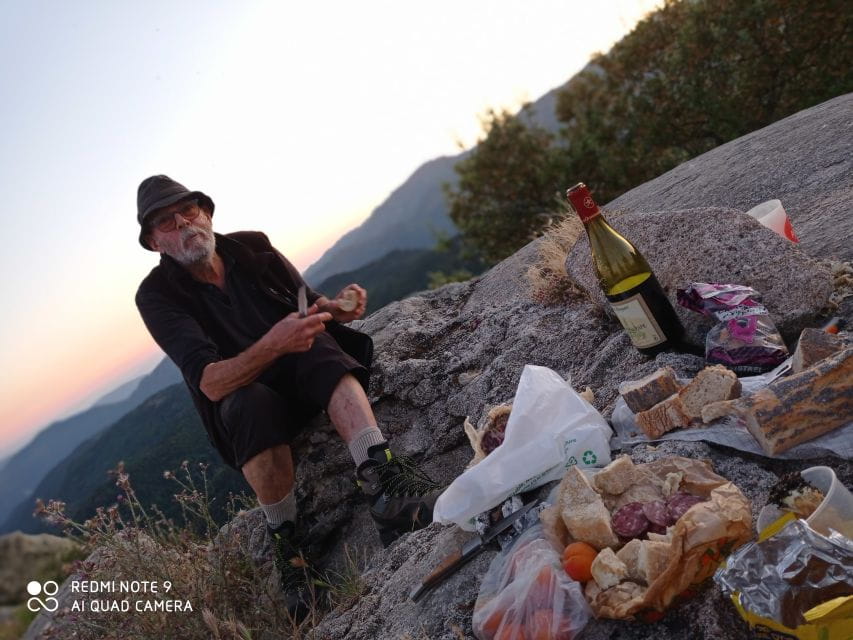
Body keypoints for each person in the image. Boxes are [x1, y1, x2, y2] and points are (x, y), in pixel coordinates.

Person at [134, 175, 440, 610]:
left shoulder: (253, 246)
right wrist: (274, 344)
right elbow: (210, 381)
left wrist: (336, 308)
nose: (184, 223)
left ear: (207, 213)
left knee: (315, 342)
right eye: (166, 221)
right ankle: (290, 548)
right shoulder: (157, 296)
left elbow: (307, 301)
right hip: (255, 410)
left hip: (307, 380)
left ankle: (384, 483)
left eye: (190, 210)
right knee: (244, 400)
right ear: (154, 242)